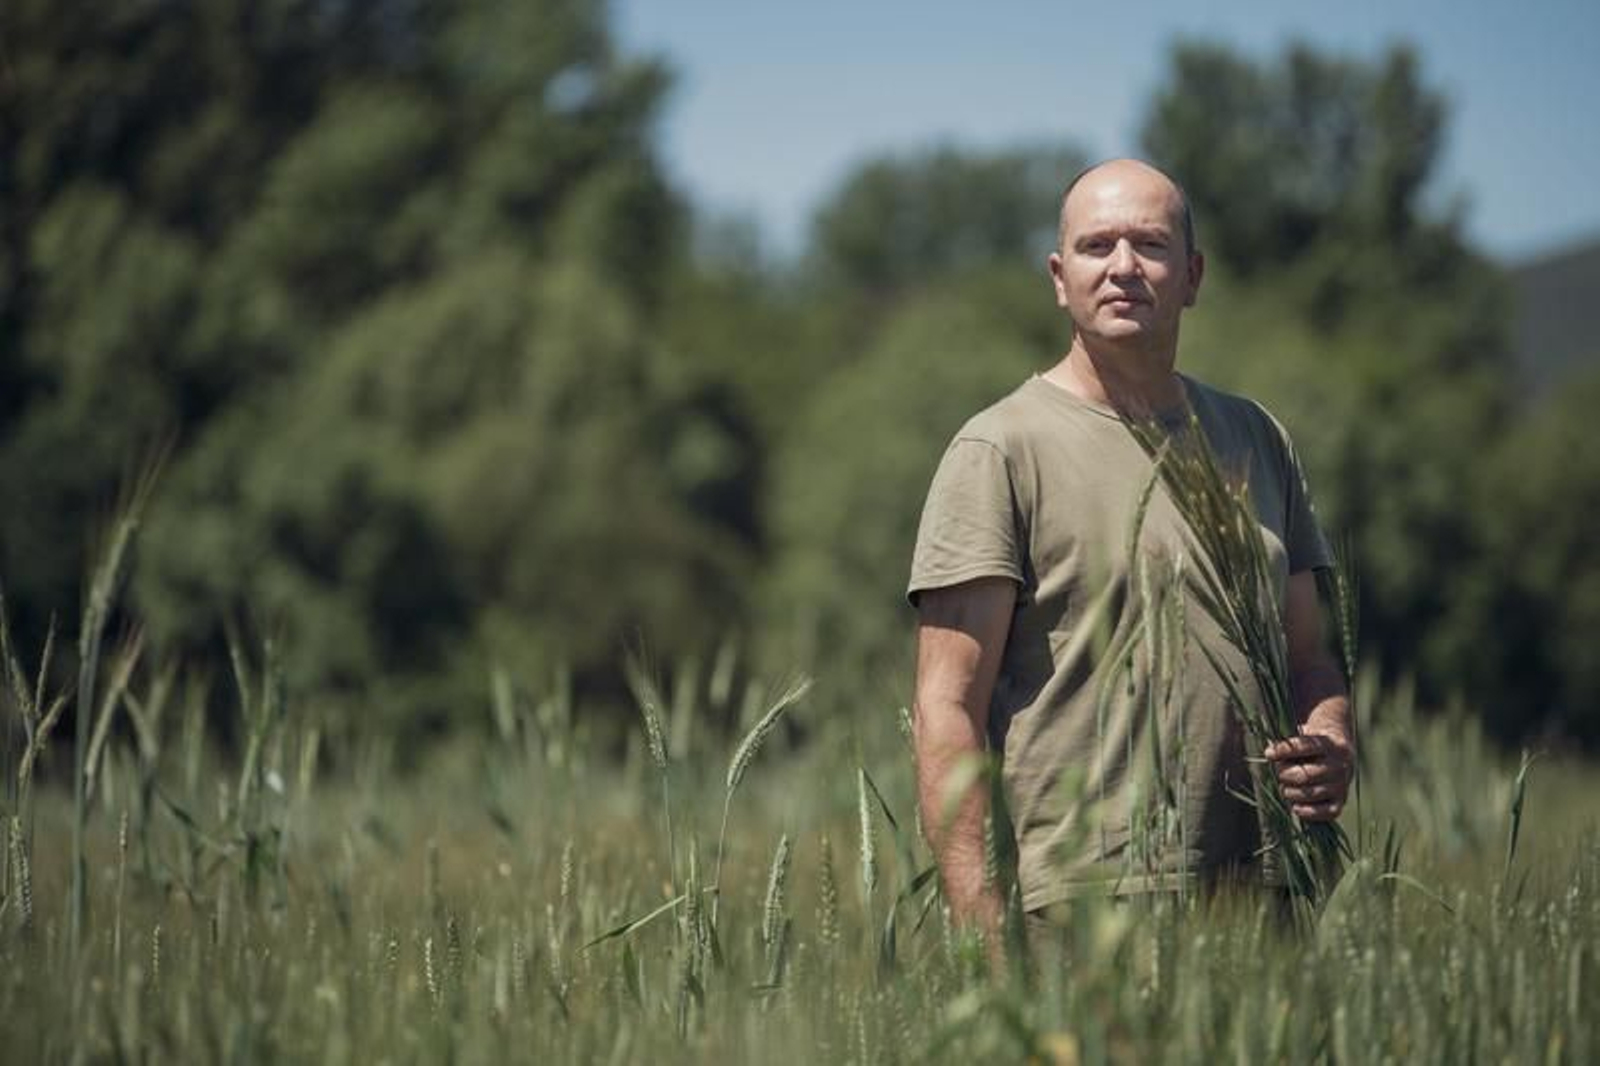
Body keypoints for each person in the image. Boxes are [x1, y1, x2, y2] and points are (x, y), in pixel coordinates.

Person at [907, 159, 1354, 939]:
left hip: (1265, 903)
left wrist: (1331, 734)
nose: (1123, 267)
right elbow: (947, 709)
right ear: (1058, 276)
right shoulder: (999, 449)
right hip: (1081, 913)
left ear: (1193, 275)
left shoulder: (1257, 438)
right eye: (1095, 246)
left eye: (1149, 245)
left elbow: (1310, 657)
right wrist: (984, 937)